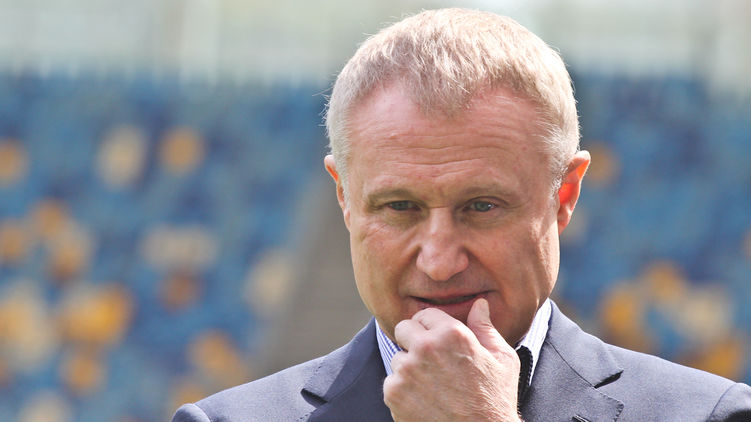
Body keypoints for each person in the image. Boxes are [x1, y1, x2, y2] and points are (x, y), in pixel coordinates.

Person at [172, 8, 751, 421]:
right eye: (400, 207)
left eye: (481, 207)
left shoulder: (711, 415)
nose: (440, 261)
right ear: (344, 198)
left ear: (564, 194)